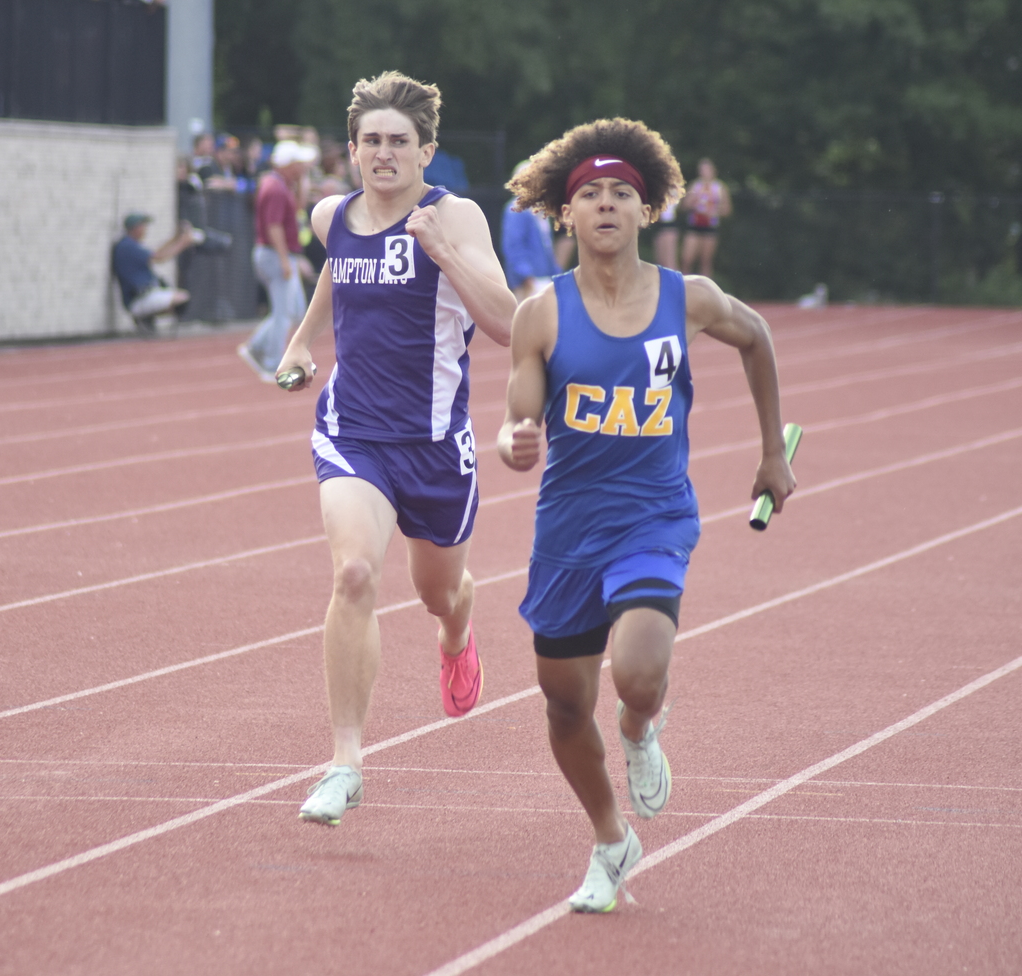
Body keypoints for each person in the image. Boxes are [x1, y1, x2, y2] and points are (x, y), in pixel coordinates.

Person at [497, 119, 794, 912]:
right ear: (567, 215)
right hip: (568, 529)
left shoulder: (686, 298)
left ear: (646, 211)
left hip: (654, 516)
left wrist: (773, 451)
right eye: (589, 194)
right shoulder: (542, 314)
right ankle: (610, 839)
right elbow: (518, 413)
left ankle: (638, 728)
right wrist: (514, 439)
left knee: (637, 672)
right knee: (563, 702)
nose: (604, 205)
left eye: (620, 194)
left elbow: (757, 337)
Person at [276, 71, 517, 826]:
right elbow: (337, 277)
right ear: (351, 150)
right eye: (371, 141)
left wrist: (445, 252)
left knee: (438, 592)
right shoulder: (331, 216)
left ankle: (457, 629)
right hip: (355, 435)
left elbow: (508, 322)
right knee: (352, 574)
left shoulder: (459, 216)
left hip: (438, 447)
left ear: (427, 152)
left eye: (399, 142)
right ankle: (346, 761)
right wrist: (299, 342)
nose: (384, 153)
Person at [237, 140, 316, 382]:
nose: (303, 168)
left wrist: (302, 182)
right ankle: (272, 363)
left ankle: (255, 346)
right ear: (289, 165)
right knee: (284, 312)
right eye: (299, 164)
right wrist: (284, 259)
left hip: (278, 254)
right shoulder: (275, 189)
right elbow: (273, 227)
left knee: (293, 311)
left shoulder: (280, 185)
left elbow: (298, 208)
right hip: (275, 254)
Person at [110, 212, 197, 333]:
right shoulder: (127, 246)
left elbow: (156, 252)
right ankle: (144, 317)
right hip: (138, 298)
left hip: (145, 295)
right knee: (181, 299)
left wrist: (176, 238)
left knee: (181, 297)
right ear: (135, 228)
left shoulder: (130, 244)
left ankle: (146, 318)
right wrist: (183, 243)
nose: (145, 230)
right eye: (143, 226)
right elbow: (159, 257)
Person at [502, 160, 561, 302]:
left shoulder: (540, 211)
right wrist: (527, 279)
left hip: (544, 281)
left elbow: (547, 249)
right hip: (529, 285)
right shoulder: (517, 209)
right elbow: (514, 247)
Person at [680, 158, 732, 278]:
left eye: (706, 169)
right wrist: (692, 203)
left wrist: (715, 212)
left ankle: (707, 291)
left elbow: (727, 209)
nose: (704, 172)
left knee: (706, 260)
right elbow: (684, 205)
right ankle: (683, 286)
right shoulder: (695, 185)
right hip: (694, 226)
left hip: (710, 227)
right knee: (686, 258)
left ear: (713, 171)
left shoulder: (720, 188)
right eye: (702, 169)